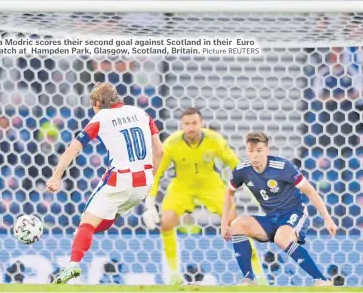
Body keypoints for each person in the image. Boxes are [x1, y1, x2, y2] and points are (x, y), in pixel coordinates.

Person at [46, 82, 164, 284]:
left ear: (99, 103)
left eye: (93, 104)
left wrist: (56, 176)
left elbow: (74, 148)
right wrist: (151, 177)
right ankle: (83, 236)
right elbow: (159, 151)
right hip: (143, 182)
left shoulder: (101, 117)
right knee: (97, 221)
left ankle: (73, 266)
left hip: (120, 179)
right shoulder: (141, 113)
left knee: (86, 221)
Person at [142, 108, 265, 284]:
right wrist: (150, 202)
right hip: (182, 186)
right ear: (181, 125)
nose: (190, 127)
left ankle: (257, 275)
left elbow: (234, 163)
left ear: (202, 123)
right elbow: (158, 172)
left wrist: (255, 187)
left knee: (236, 225)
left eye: (194, 123)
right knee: (166, 222)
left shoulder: (214, 140)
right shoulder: (171, 144)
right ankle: (173, 275)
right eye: (186, 124)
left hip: (210, 184)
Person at [221, 132, 337, 286]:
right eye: (250, 150)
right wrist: (224, 224)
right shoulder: (242, 170)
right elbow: (229, 193)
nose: (254, 155)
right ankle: (249, 280)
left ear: (267, 150)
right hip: (271, 217)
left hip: (294, 212)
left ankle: (321, 280)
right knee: (237, 225)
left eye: (259, 150)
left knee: (281, 238)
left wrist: (327, 218)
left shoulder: (283, 167)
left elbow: (309, 190)